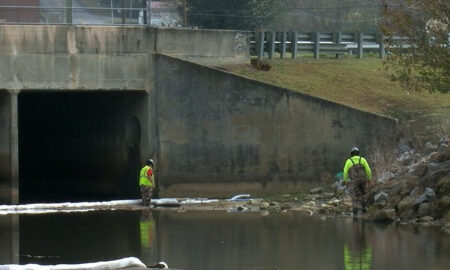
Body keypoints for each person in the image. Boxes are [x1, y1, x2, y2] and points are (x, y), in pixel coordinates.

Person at [343, 147, 372, 215]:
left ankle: (355, 213)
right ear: (358, 153)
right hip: (363, 180)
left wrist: (345, 180)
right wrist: (369, 178)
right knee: (364, 194)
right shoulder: (363, 160)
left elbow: (345, 172)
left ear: (351, 154)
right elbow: (368, 170)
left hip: (354, 182)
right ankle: (364, 209)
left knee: (355, 197)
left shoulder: (348, 161)